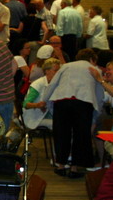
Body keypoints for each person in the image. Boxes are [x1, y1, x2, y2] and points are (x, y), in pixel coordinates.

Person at [42, 48, 104, 178]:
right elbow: (99, 94)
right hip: (83, 102)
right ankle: (74, 168)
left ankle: (60, 165)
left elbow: (53, 84)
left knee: (61, 133)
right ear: (92, 59)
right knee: (80, 135)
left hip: (62, 101)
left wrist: (44, 101)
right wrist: (97, 111)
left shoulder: (66, 66)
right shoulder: (95, 70)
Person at [22, 58, 60, 130]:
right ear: (47, 71)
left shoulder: (55, 84)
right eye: (55, 70)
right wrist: (37, 105)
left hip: (47, 115)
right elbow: (25, 104)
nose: (58, 73)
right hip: (33, 118)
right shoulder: (38, 84)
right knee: (58, 125)